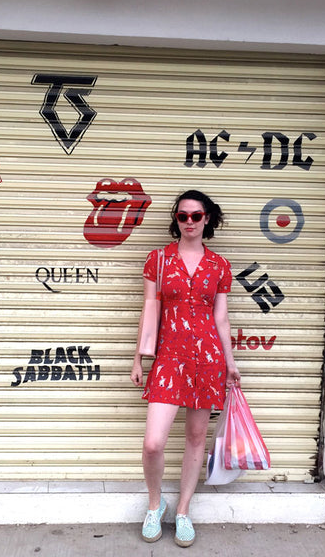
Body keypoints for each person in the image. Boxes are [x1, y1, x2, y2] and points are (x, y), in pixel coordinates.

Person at [130, 189, 241, 548]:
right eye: (183, 216)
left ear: (207, 219)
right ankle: (154, 504)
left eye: (196, 215)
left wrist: (230, 363)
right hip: (169, 358)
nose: (189, 222)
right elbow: (149, 313)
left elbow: (220, 318)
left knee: (196, 439)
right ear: (176, 220)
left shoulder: (219, 265)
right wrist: (138, 359)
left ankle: (183, 510)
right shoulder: (158, 260)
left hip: (207, 360)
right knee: (153, 443)